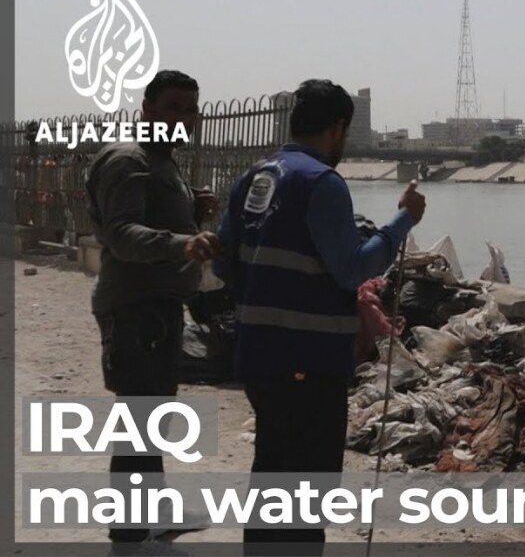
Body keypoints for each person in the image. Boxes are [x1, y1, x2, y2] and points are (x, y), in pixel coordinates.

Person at [214, 79, 425, 556]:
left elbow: (223, 262)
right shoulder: (321, 183)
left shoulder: (254, 177)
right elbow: (352, 269)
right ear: (339, 128)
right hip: (308, 360)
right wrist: (402, 222)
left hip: (258, 356)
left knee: (272, 474)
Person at [85, 69, 220, 555]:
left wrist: (193, 212)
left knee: (152, 418)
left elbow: (152, 218)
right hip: (135, 307)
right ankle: (128, 534)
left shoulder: (160, 160)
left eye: (191, 109)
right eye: (173, 107)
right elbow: (122, 234)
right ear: (147, 109)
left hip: (158, 306)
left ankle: (154, 514)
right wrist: (183, 242)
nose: (184, 117)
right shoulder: (129, 160)